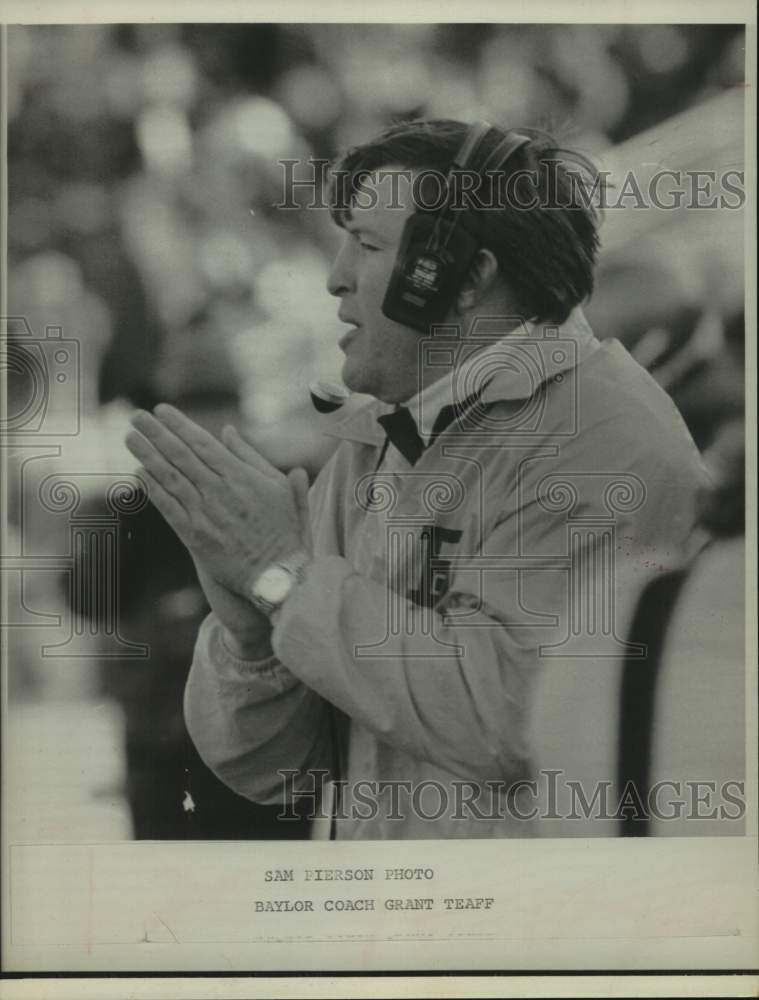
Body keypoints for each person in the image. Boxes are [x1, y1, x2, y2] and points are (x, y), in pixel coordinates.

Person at [125, 119, 706, 839]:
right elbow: (278, 773)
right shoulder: (377, 436)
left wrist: (283, 578)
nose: (335, 276)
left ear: (465, 276)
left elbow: (513, 724)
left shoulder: (602, 438)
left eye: (367, 245)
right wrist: (252, 640)